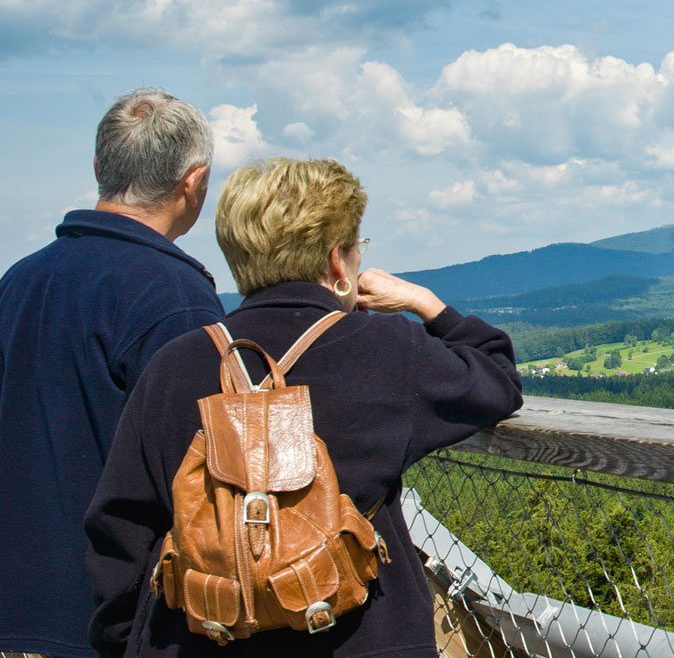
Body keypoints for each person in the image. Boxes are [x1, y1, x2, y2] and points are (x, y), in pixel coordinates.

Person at [84, 158, 523, 657]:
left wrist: (129, 639)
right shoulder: (384, 350)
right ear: (338, 260)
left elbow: (119, 528)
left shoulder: (172, 366)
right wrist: (424, 303)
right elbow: (498, 380)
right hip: (360, 638)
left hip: (203, 634)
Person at [0, 90, 223, 658]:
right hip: (112, 619)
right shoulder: (175, 296)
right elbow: (206, 473)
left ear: (99, 168)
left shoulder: (20, 282)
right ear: (193, 183)